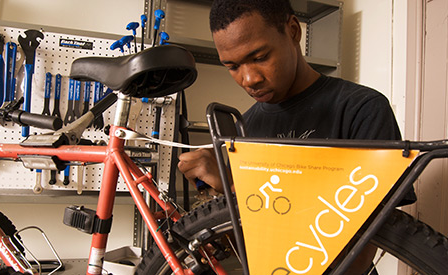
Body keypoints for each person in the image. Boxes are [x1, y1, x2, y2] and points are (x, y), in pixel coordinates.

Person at [177, 0, 414, 274]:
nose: (249, 79)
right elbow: (249, 251)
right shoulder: (246, 127)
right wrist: (217, 205)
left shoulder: (362, 109)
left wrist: (232, 185)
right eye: (232, 66)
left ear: (292, 30)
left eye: (259, 57)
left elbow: (357, 257)